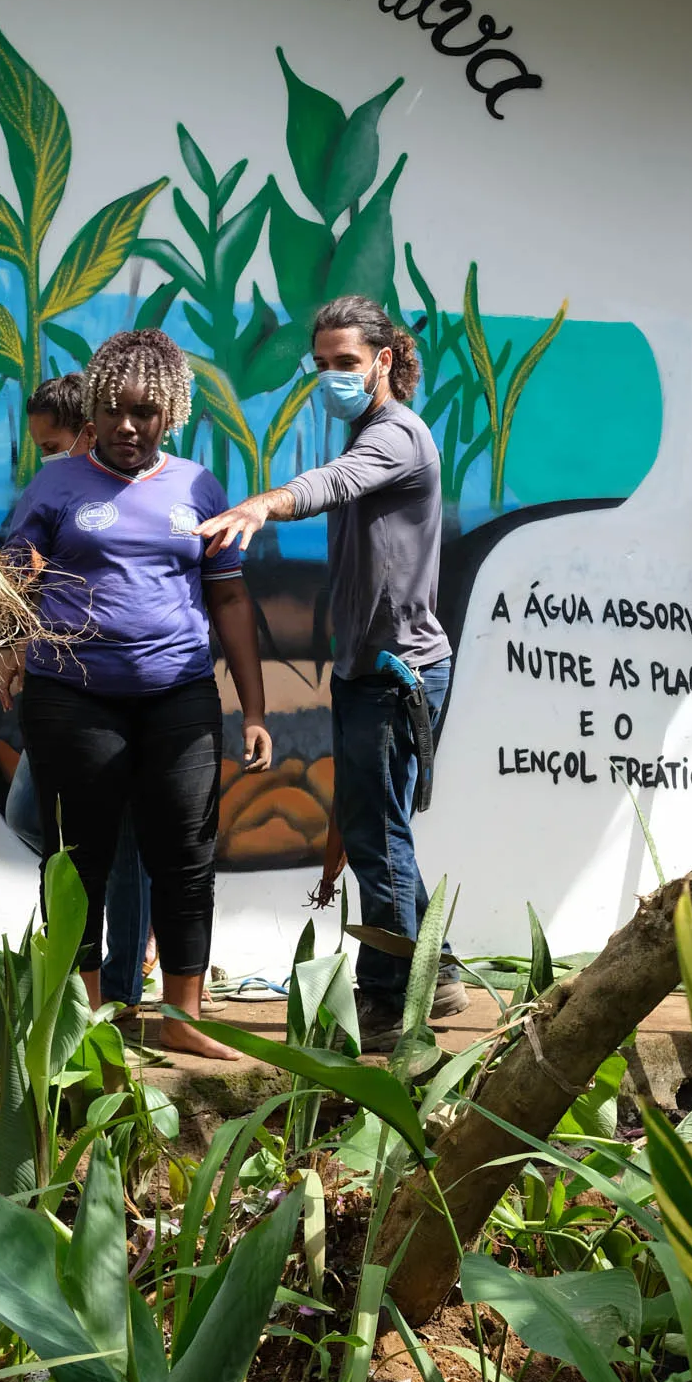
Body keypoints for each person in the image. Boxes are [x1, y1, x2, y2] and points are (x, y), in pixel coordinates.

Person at [0, 328, 272, 1059]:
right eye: (114, 410)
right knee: (77, 857)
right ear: (92, 410)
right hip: (75, 699)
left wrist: (253, 709)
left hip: (180, 698)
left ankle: (183, 1019)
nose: (129, 426)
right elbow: (14, 585)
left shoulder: (198, 488)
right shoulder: (57, 485)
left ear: (172, 414)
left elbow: (228, 602)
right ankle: (84, 1018)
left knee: (186, 856)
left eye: (147, 412)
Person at [197, 294, 468, 1052]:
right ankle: (434, 969)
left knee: (376, 833)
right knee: (375, 824)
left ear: (384, 361)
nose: (331, 378)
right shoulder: (369, 429)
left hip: (395, 674)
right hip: (367, 669)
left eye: (345, 364)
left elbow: (333, 484)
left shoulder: (396, 437)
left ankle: (390, 999)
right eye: (321, 365)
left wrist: (265, 505)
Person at [0, 374, 154, 1012]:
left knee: (122, 840)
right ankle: (109, 965)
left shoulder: (126, 495)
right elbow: (17, 576)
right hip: (62, 691)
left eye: (53, 442)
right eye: (39, 445)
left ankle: (123, 983)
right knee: (38, 819)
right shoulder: (55, 490)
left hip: (121, 689)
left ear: (88, 431)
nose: (45, 456)